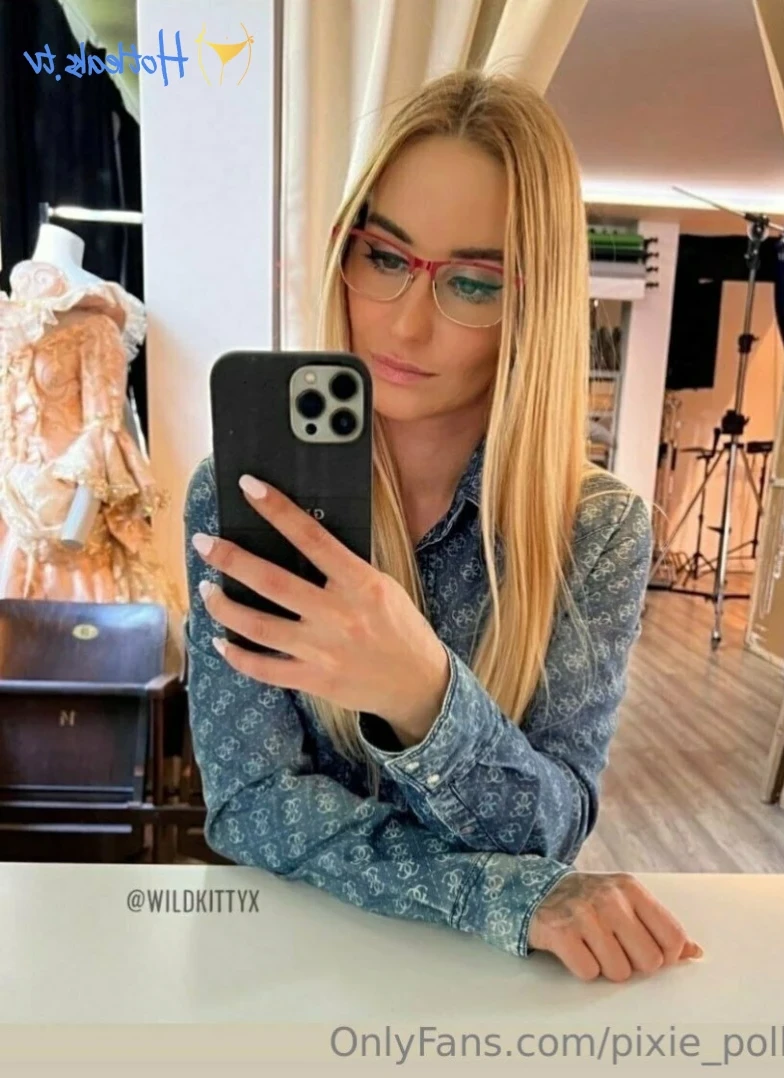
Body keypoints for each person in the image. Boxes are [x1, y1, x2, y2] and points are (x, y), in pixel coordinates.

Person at [184, 70, 703, 983]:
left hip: (489, 993)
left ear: (534, 304)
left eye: (471, 281)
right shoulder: (244, 501)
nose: (405, 324)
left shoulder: (597, 531)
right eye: (385, 258)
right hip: (287, 969)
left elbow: (550, 829)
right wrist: (492, 894)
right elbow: (250, 802)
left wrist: (423, 696)